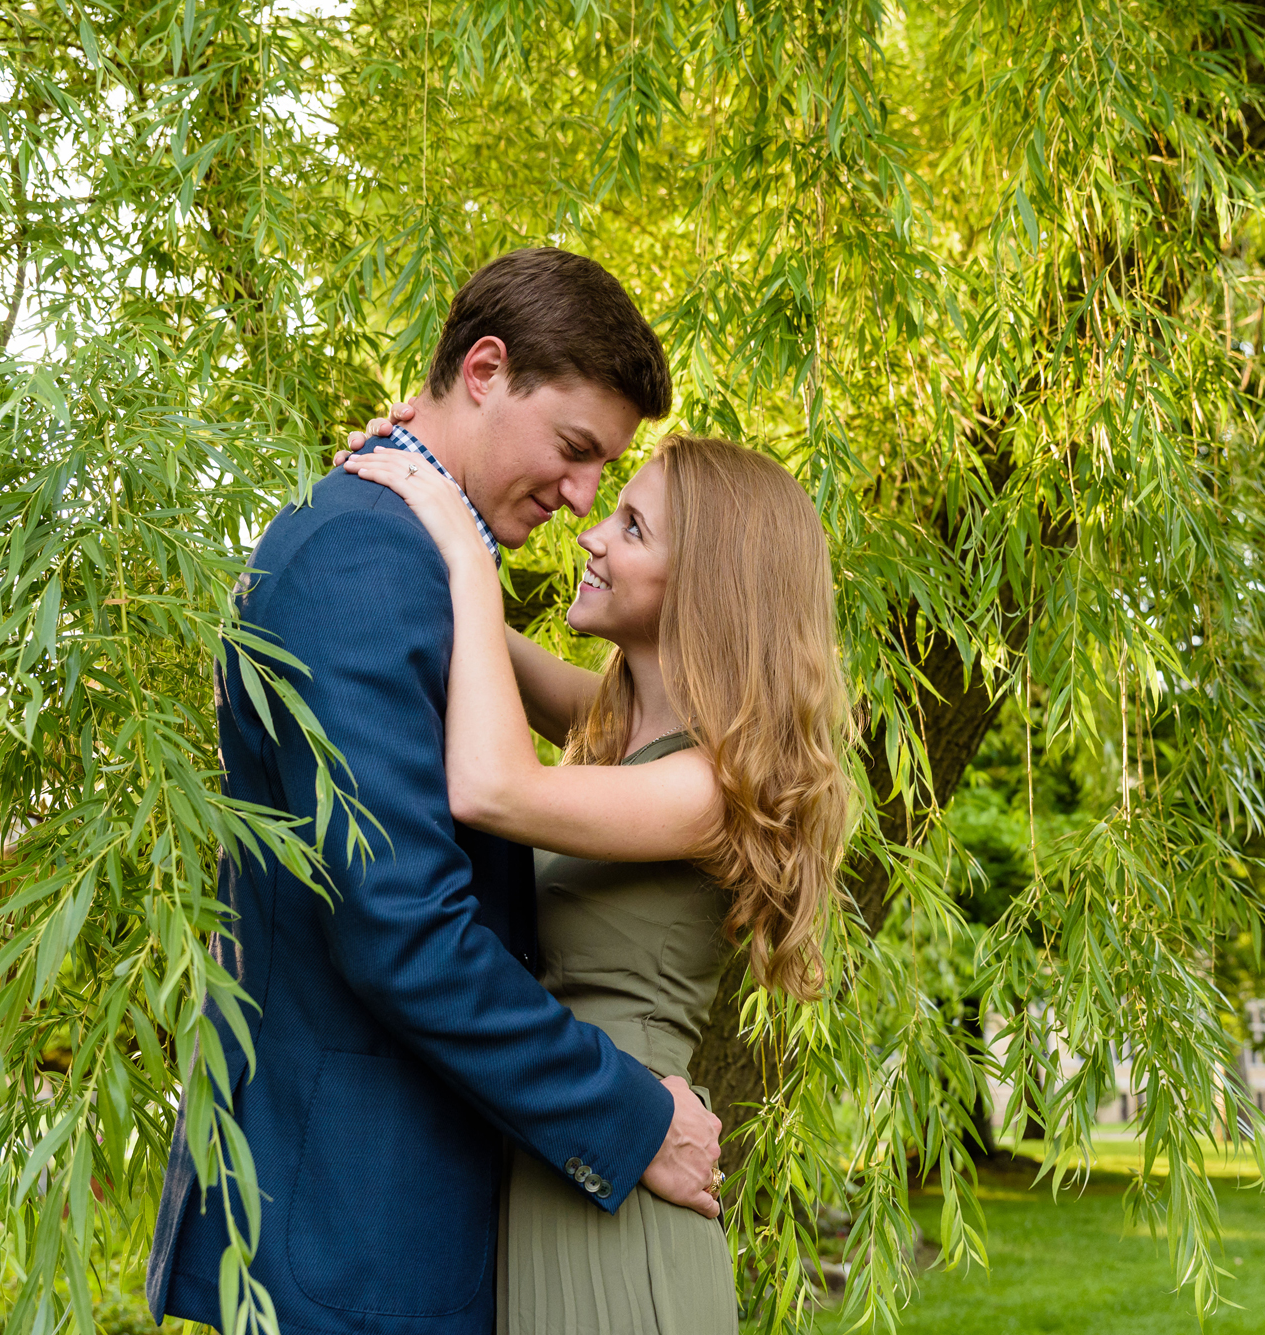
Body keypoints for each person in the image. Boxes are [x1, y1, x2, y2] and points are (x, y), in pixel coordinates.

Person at [146, 249, 725, 1335]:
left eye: (609, 477)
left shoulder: (402, 550)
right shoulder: (363, 561)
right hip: (351, 1230)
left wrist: (451, 537)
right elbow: (405, 927)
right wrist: (628, 1117)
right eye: (573, 450)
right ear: (485, 370)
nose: (581, 498)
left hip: (404, 1215)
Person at [334, 416, 850, 1333]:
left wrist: (460, 542)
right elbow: (473, 642)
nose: (592, 535)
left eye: (635, 528)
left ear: (709, 590)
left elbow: (493, 785)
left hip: (626, 1190)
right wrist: (428, 467)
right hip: (576, 1146)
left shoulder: (702, 788)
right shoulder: (621, 734)